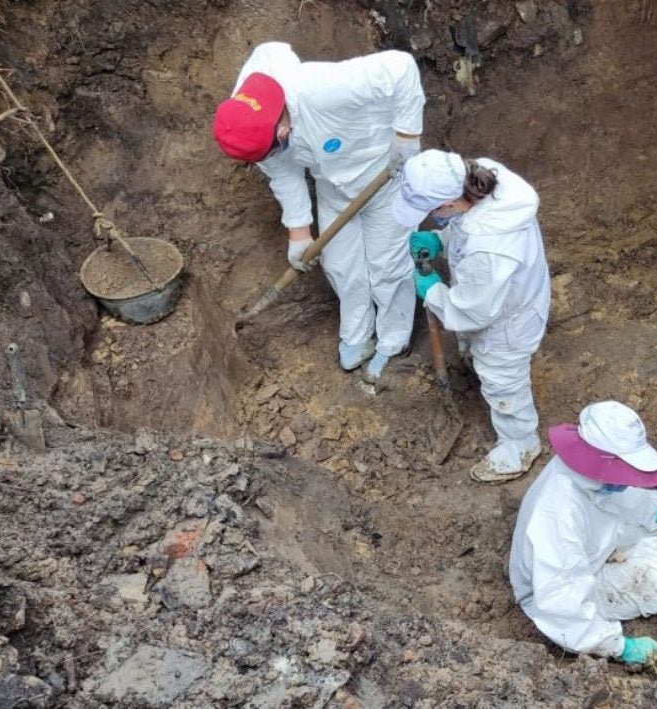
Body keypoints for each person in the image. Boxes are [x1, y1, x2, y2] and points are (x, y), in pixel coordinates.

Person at [212, 42, 424, 380]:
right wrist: (298, 231)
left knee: (387, 264)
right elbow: (283, 173)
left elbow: (401, 67)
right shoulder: (246, 124)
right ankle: (356, 335)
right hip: (333, 186)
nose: (282, 138)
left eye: (280, 134)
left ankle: (392, 339)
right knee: (341, 265)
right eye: (275, 143)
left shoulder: (322, 87)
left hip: (386, 174)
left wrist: (406, 134)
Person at [393, 150, 551, 483]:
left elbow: (470, 312)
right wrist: (439, 238)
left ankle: (520, 445)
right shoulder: (482, 177)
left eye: (430, 212)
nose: (429, 217)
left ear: (448, 203)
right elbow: (465, 223)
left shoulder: (488, 249)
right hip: (500, 292)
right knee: (478, 346)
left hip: (507, 322)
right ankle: (473, 358)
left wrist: (433, 290)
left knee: (502, 381)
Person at [509, 401, 657, 666]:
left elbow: (625, 500)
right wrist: (618, 647)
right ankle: (595, 632)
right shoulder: (558, 511)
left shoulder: (592, 478)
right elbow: (560, 596)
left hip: (595, 553)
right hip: (549, 592)